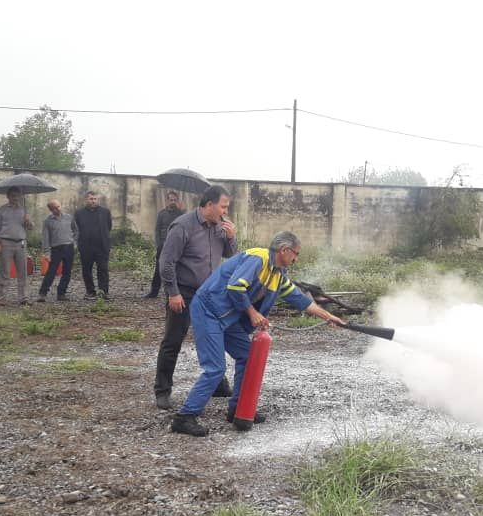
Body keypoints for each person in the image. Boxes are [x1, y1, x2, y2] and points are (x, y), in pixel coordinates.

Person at [171, 231, 344, 437]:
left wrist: (328, 317)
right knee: (215, 368)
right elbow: (235, 287)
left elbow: (301, 300)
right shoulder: (258, 258)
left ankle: (238, 409)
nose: (296, 259)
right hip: (209, 311)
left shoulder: (278, 275)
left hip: (228, 317)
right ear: (284, 250)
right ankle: (185, 417)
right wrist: (253, 314)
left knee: (248, 356)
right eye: (295, 254)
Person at [153, 185, 237, 410]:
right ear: (209, 205)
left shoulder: (220, 226)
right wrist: (173, 293)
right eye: (223, 207)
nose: (225, 212)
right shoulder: (183, 226)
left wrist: (231, 237)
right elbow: (166, 262)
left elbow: (230, 254)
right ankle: (162, 390)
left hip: (210, 293)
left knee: (214, 336)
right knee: (172, 341)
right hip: (185, 293)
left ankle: (219, 384)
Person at [0, 187, 33, 306]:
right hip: (6, 243)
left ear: (20, 196)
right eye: (13, 195)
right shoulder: (2, 210)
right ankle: (3, 298)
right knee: (4, 271)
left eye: (17, 195)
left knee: (23, 272)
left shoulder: (24, 210)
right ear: (8, 196)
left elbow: (30, 228)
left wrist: (28, 221)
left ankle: (23, 298)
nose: (15, 197)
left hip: (21, 243)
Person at [143, 190, 184, 298]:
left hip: (176, 247)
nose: (173, 202)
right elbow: (157, 230)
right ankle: (154, 292)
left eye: (175, 200)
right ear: (167, 201)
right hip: (163, 246)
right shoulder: (162, 214)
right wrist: (158, 244)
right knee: (158, 269)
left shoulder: (182, 214)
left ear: (178, 201)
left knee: (176, 270)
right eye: (171, 200)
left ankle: (174, 292)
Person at [74, 191, 112, 301]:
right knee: (86, 270)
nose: (93, 201)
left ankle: (103, 291)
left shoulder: (105, 212)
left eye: (95, 199)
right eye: (91, 199)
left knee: (103, 269)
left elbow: (108, 226)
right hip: (86, 246)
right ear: (86, 200)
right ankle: (90, 292)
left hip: (102, 246)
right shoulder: (79, 213)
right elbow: (77, 228)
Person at [38, 199, 77, 302]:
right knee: (51, 271)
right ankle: (42, 293)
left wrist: (75, 243)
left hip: (69, 247)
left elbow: (76, 230)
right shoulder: (48, 221)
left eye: (58, 206)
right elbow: (45, 238)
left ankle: (61, 293)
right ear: (50, 209)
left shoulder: (69, 218)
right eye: (54, 208)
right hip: (56, 249)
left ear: (61, 205)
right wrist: (46, 252)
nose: (57, 209)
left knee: (67, 272)